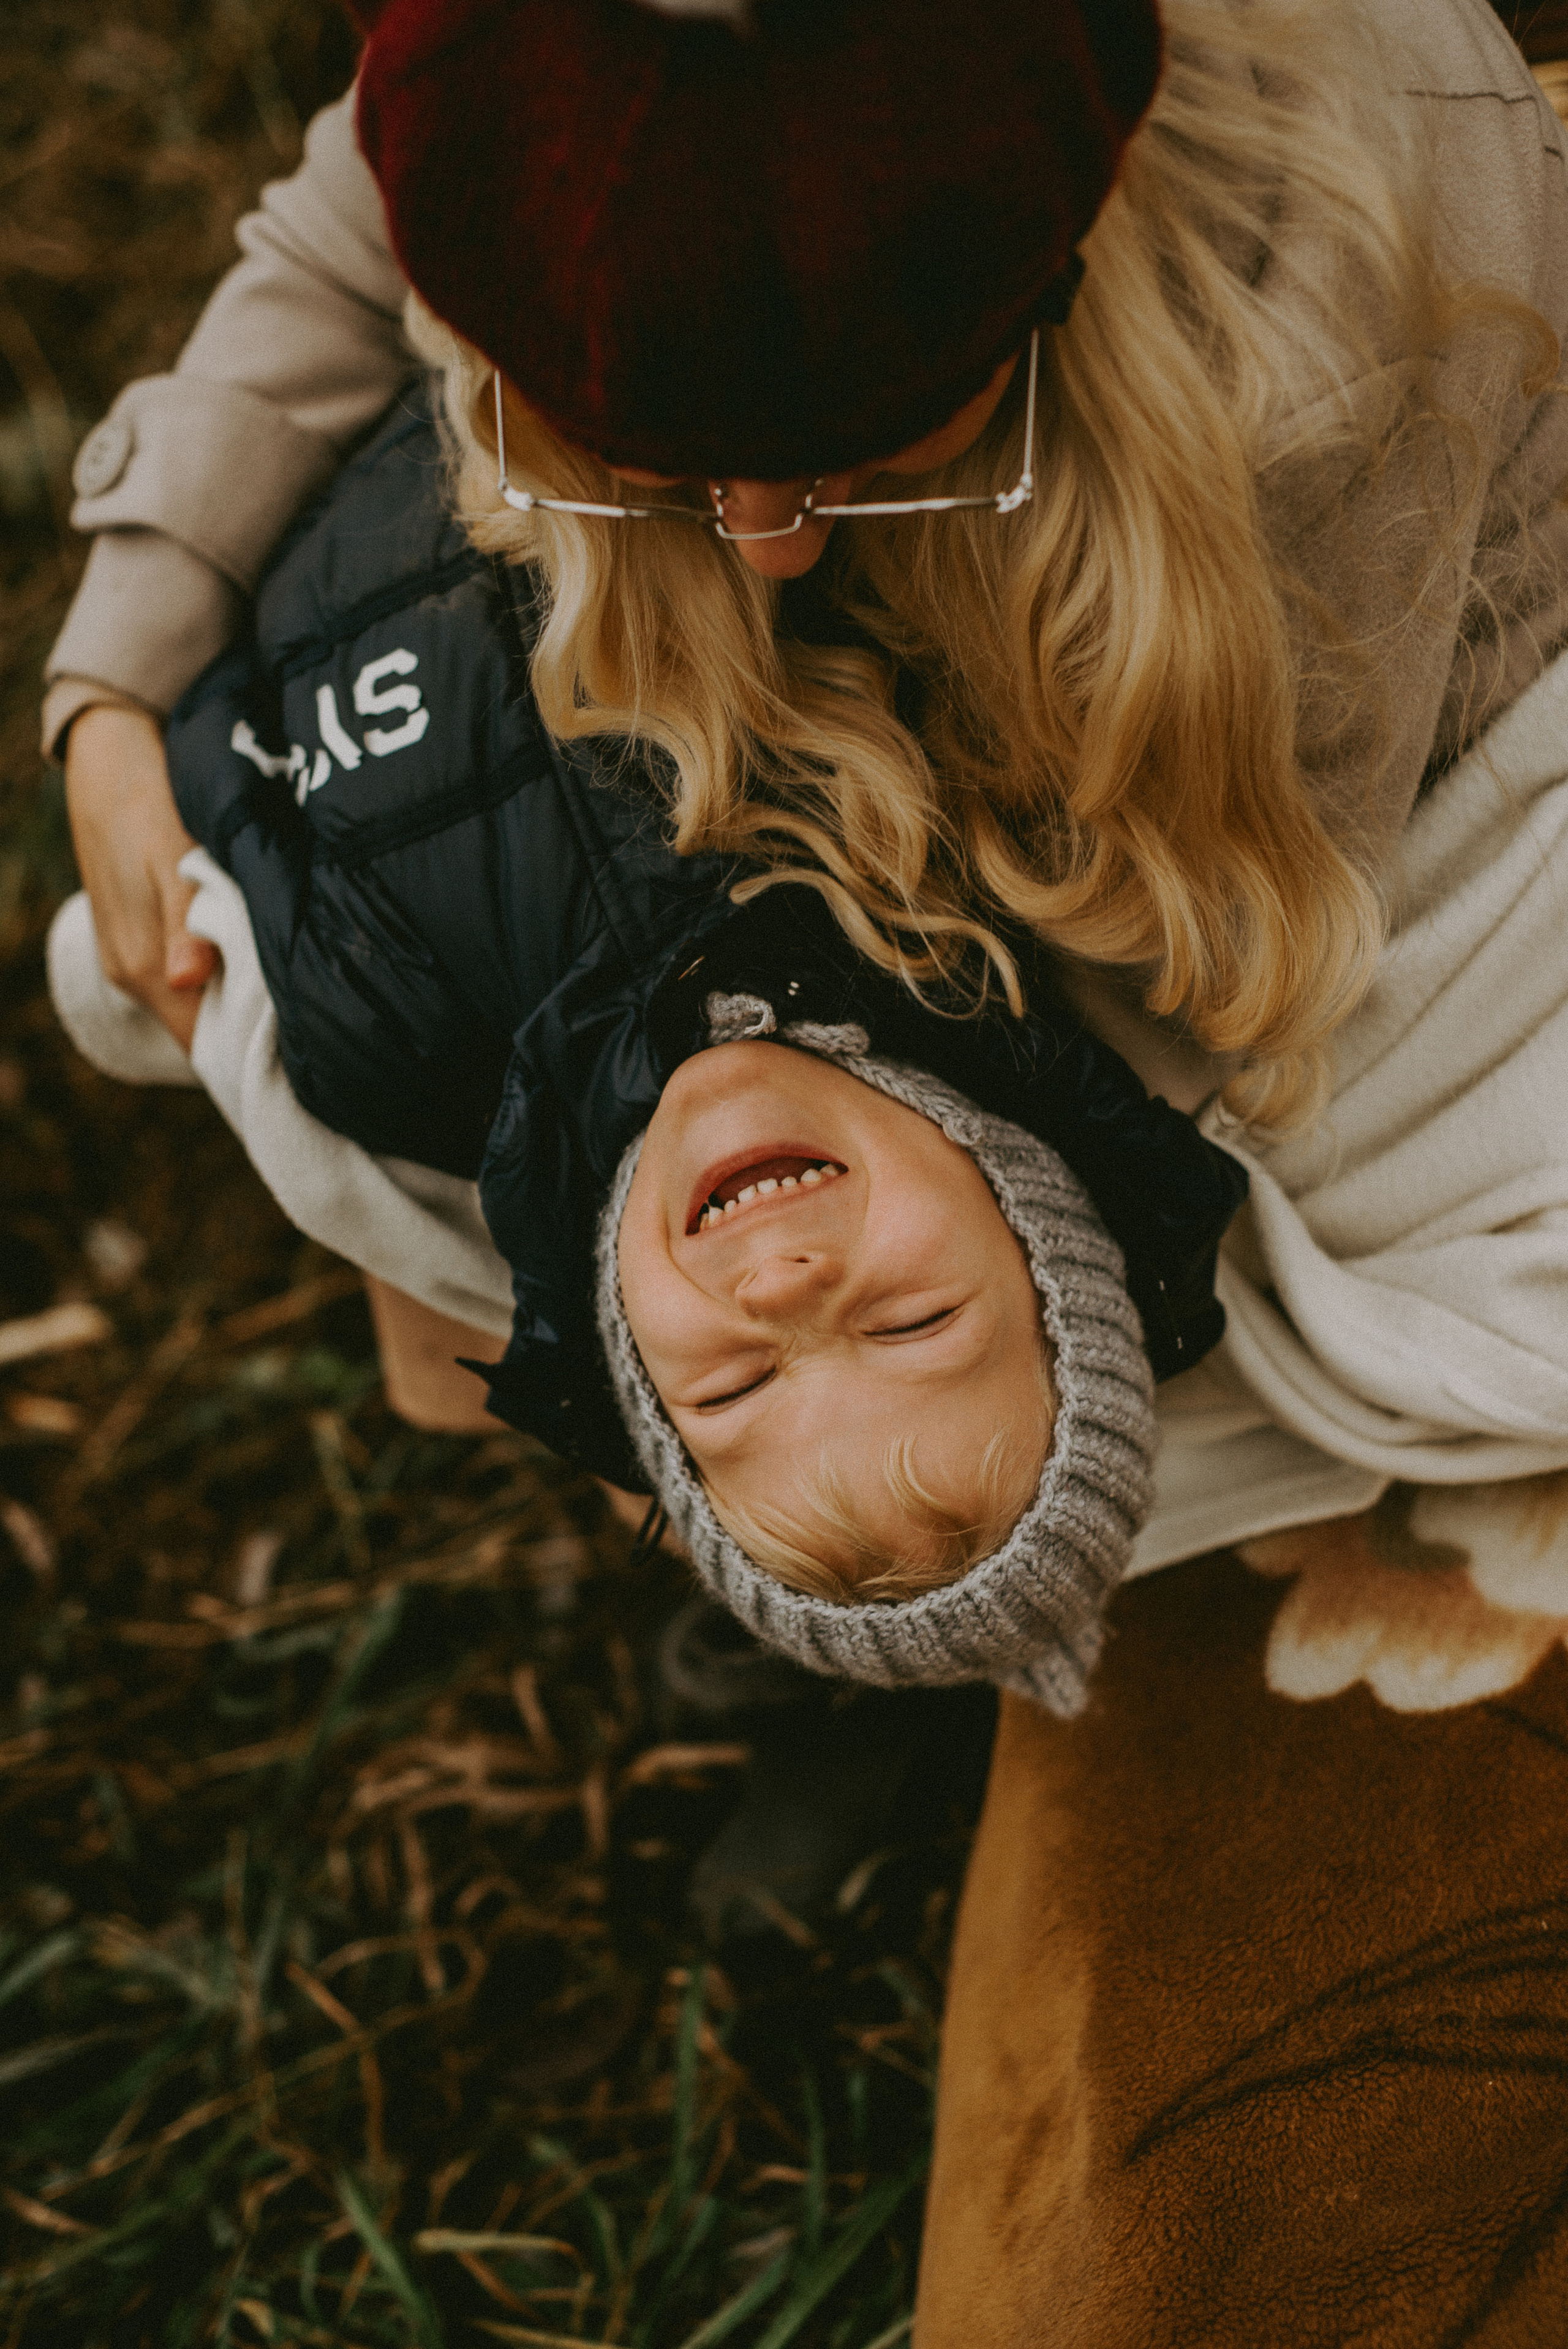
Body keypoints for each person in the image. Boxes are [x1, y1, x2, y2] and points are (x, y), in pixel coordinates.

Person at [42, 0, 1568, 2334]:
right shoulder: (512, 128)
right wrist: (120, 671)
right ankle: (815, 1630)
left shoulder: (1314, 355)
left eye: (859, 450)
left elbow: (1166, 1015)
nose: (756, 547)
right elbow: (352, 234)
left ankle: (845, 1615)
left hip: (1232, 728)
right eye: (648, 455)